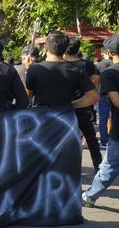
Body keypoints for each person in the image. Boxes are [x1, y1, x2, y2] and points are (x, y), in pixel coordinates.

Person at [26, 31, 100, 167]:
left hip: (43, 119)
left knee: (44, 157)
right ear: (65, 49)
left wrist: (28, 70)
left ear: (45, 48)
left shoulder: (34, 69)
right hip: (67, 118)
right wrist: (73, 105)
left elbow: (27, 97)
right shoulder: (75, 70)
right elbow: (94, 96)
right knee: (66, 158)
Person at [82, 34, 119, 206]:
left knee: (108, 168)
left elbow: (118, 102)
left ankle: (90, 196)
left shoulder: (109, 74)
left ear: (109, 52)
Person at [63, 37, 103, 170]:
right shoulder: (87, 64)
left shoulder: (60, 65)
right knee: (91, 138)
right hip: (85, 104)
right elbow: (96, 78)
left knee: (64, 139)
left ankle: (67, 168)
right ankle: (98, 167)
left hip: (65, 107)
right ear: (78, 49)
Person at [96, 46, 113, 148]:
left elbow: (96, 82)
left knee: (103, 119)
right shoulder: (116, 63)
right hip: (117, 95)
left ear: (103, 53)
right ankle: (115, 139)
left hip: (103, 95)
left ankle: (104, 141)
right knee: (115, 118)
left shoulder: (99, 65)